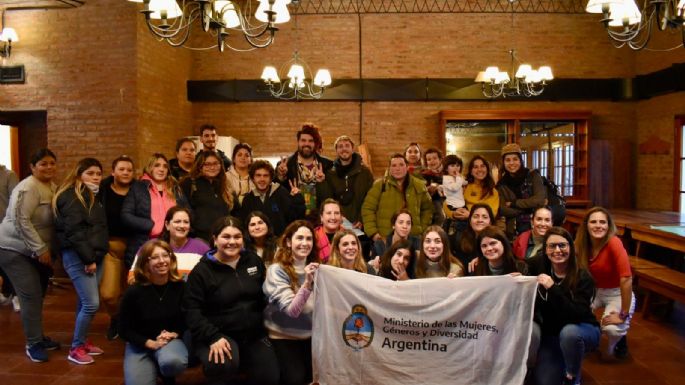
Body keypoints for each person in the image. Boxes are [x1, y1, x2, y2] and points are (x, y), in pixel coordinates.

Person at [184, 216, 279, 385]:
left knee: (270, 378)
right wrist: (212, 337)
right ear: (215, 239)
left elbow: (264, 297)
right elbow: (191, 310)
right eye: (226, 237)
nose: (232, 242)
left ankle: (246, 361)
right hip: (219, 334)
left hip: (253, 335)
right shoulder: (202, 271)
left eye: (237, 236)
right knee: (223, 365)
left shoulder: (253, 261)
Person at [0, 149, 59, 362]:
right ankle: (33, 344)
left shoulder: (51, 186)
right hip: (13, 250)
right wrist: (40, 249)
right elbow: (20, 220)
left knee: (38, 295)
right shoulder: (27, 187)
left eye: (52, 163)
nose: (49, 167)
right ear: (32, 167)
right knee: (30, 295)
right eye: (43, 164)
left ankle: (38, 336)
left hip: (35, 252)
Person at [53, 157, 109, 365]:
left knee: (84, 301)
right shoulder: (71, 196)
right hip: (81, 257)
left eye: (98, 173)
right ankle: (75, 348)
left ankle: (82, 341)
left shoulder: (91, 195)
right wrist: (88, 258)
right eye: (90, 173)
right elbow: (75, 232)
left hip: (95, 255)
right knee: (91, 304)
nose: (95, 177)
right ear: (79, 174)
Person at [534, 227, 600, 385]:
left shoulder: (582, 277)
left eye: (562, 245)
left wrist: (553, 289)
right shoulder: (539, 266)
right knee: (544, 382)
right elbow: (514, 262)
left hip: (582, 327)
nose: (557, 250)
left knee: (569, 334)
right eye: (552, 246)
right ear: (545, 250)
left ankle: (573, 375)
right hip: (552, 335)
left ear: (570, 247)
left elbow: (575, 314)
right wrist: (482, 259)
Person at [120, 239, 187, 385]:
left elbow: (187, 318)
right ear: (145, 263)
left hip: (169, 342)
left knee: (173, 363)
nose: (162, 261)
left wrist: (175, 333)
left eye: (165, 255)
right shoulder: (133, 292)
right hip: (140, 345)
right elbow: (123, 329)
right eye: (155, 257)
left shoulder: (181, 287)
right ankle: (152, 368)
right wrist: (149, 343)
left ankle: (164, 371)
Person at [263, 220, 320, 385]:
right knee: (296, 379)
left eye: (309, 239)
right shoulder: (276, 270)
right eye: (299, 238)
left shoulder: (318, 269)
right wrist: (307, 284)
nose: (305, 243)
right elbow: (291, 311)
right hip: (283, 336)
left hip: (310, 336)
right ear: (288, 242)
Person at [575, 207, 634, 359]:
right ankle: (590, 339)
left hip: (616, 292)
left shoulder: (614, 243)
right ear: (586, 225)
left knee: (612, 328)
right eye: (593, 222)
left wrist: (623, 314)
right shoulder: (581, 243)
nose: (598, 225)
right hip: (593, 291)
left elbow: (626, 278)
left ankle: (615, 345)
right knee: (572, 314)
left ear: (608, 226)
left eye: (603, 222)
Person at [122, 153, 187, 269]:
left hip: (172, 243)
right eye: (157, 165)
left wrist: (180, 226)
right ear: (149, 167)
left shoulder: (175, 187)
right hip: (145, 243)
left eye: (165, 166)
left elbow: (188, 212)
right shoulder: (138, 187)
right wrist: (150, 226)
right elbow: (126, 215)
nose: (161, 169)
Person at [99, 155, 135, 341]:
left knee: (131, 292)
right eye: (121, 169)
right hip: (111, 248)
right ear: (113, 172)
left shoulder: (139, 191)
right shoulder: (103, 190)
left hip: (135, 248)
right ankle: (116, 318)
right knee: (109, 294)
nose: (126, 173)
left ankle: (128, 324)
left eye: (129, 169)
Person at [361, 153, 432, 244]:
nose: (397, 168)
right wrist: (373, 233)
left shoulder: (419, 185)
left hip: (413, 239)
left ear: (407, 167)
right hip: (385, 239)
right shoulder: (380, 185)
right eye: (394, 165)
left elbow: (428, 209)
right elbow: (367, 209)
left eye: (401, 165)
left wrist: (421, 229)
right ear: (389, 169)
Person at [316, 135, 374, 233]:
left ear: (352, 149)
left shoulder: (365, 172)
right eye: (340, 146)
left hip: (360, 225)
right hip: (338, 225)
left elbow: (370, 199)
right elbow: (328, 199)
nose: (344, 149)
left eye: (347, 146)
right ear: (336, 150)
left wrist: (361, 219)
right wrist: (321, 182)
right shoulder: (330, 174)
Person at [276, 124, 333, 216]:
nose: (306, 144)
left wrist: (322, 182)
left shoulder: (328, 165)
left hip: (320, 217)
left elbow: (331, 195)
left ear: (315, 143)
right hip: (294, 217)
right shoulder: (285, 165)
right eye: (303, 140)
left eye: (311, 141)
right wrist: (281, 177)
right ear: (298, 142)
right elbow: (278, 195)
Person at [238, 160, 305, 236]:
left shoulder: (281, 193)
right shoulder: (248, 199)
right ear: (253, 178)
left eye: (265, 175)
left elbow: (294, 218)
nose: (262, 179)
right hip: (256, 244)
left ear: (271, 178)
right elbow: (245, 225)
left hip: (280, 242)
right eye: (258, 175)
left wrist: (297, 199)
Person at [180, 151, 234, 243]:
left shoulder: (225, 184)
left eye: (215, 163)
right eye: (207, 164)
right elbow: (183, 210)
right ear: (200, 166)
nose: (212, 167)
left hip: (224, 238)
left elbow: (234, 211)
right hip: (199, 238)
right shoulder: (189, 183)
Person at [497, 143, 546, 239]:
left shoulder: (533, 175)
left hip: (537, 225)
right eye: (507, 160)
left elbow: (539, 200)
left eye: (515, 159)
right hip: (513, 228)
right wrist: (527, 208)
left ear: (520, 160)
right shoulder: (501, 184)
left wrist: (514, 203)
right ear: (503, 162)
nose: (511, 163)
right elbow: (502, 209)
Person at [444, 155, 499, 223]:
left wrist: (471, 215)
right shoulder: (464, 187)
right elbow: (446, 203)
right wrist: (454, 214)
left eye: (482, 166)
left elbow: (492, 214)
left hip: (483, 227)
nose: (479, 169)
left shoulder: (493, 191)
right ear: (471, 171)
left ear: (487, 169)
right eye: (475, 167)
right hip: (463, 225)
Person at [451, 203, 495, 268]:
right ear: (470, 221)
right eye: (476, 216)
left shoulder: (498, 240)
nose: (480, 220)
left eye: (484, 217)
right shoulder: (458, 238)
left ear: (490, 222)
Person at [0, 163, 19, 308]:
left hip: (4, 225)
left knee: (8, 261)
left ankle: (15, 295)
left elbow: (16, 200)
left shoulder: (8, 175)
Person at [440, 154, 466, 237]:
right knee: (454, 219)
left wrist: (465, 181)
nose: (456, 168)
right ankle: (451, 228)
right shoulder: (447, 179)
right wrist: (459, 178)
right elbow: (454, 187)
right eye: (452, 165)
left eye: (458, 165)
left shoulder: (456, 177)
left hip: (460, 203)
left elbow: (464, 182)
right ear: (446, 168)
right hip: (452, 204)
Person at [421, 147, 445, 226]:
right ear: (426, 162)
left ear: (440, 159)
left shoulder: (446, 172)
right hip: (434, 200)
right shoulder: (425, 174)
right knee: (440, 215)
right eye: (429, 159)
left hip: (447, 199)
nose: (432, 161)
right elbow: (423, 191)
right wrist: (429, 189)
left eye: (435, 158)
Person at [314, 198, 343, 263]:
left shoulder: (349, 236)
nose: (333, 217)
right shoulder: (312, 237)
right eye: (329, 213)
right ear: (321, 217)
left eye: (336, 213)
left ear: (341, 217)